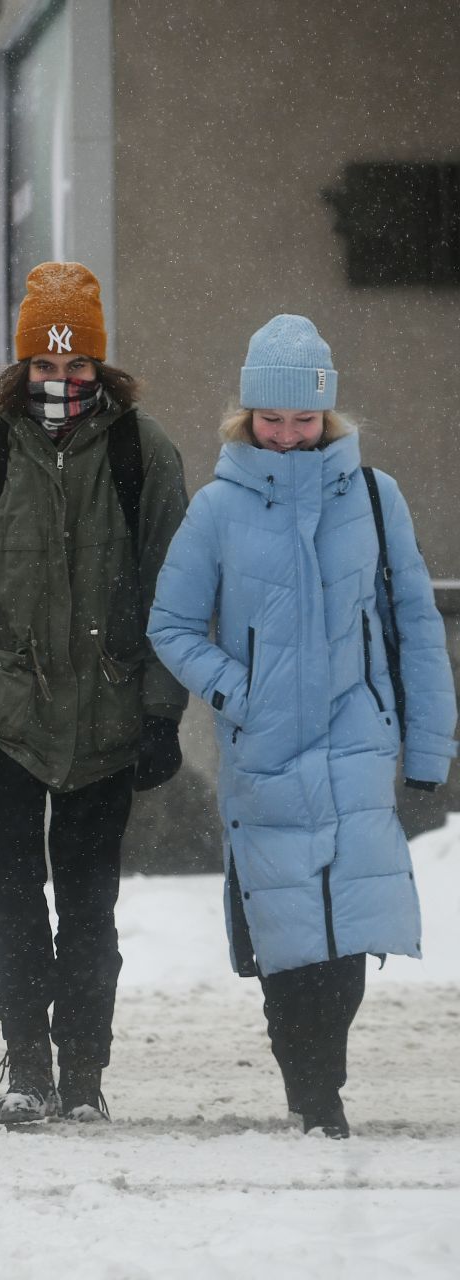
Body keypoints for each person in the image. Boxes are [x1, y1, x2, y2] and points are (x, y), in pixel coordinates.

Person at [0, 262, 189, 1126]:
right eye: (47, 368)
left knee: (90, 902)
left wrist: (163, 711)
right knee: (12, 893)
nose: (62, 383)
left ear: (101, 369)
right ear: (22, 370)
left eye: (78, 366)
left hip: (107, 715)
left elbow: (176, 593)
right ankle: (26, 1059)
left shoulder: (143, 452)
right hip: (3, 716)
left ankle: (84, 1069)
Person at [147, 315, 455, 1138]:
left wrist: (428, 744)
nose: (287, 436)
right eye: (271, 419)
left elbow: (414, 626)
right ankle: (312, 1090)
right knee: (288, 935)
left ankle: (327, 1074)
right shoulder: (216, 510)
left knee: (349, 928)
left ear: (328, 416)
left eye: (304, 419)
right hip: (266, 746)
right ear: (247, 418)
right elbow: (171, 625)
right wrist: (241, 691)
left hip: (358, 736)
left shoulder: (376, 498)